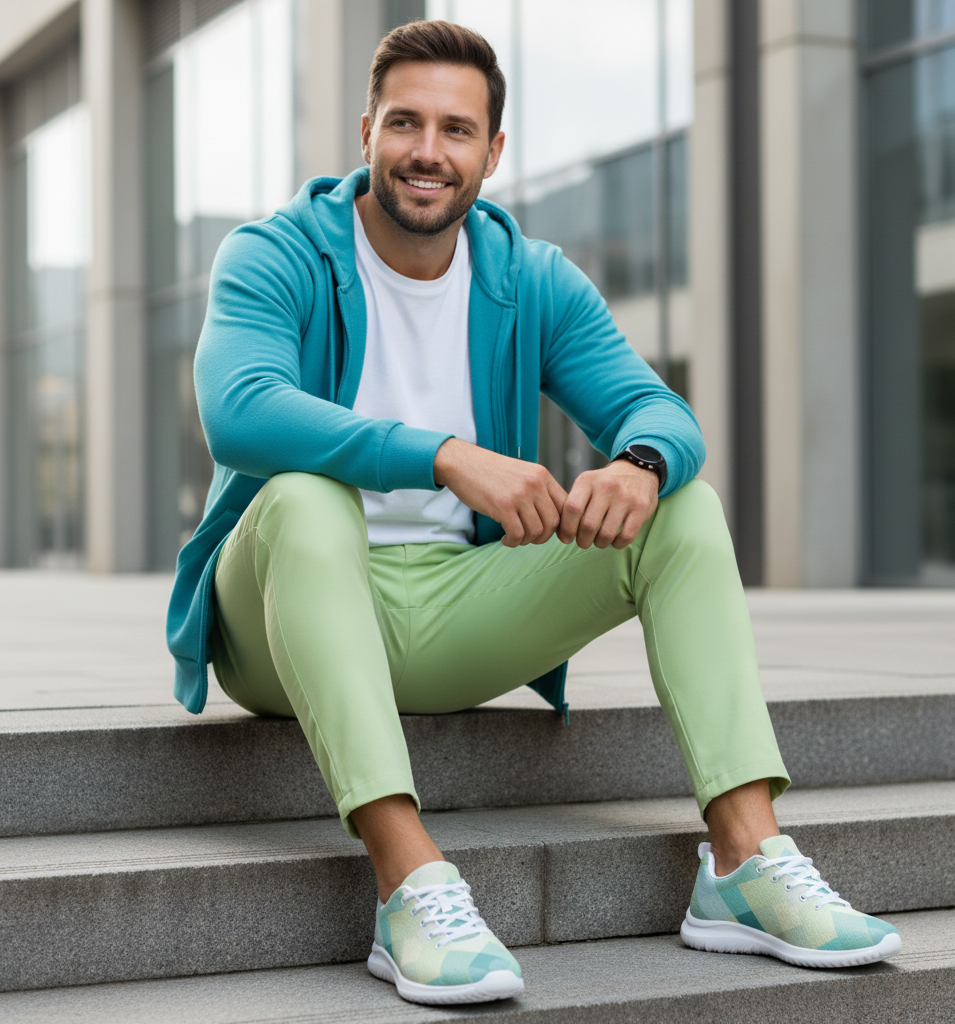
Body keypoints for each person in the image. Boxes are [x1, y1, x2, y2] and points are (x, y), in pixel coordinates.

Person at [166, 19, 901, 1008]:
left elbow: (660, 414)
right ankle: (409, 881)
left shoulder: (531, 280)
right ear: (366, 133)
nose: (428, 152)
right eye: (405, 123)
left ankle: (744, 864)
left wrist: (638, 466)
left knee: (683, 510)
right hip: (278, 618)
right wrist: (443, 456)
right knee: (305, 499)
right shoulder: (277, 254)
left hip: (455, 613)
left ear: (492, 152)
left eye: (456, 131)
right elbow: (239, 408)